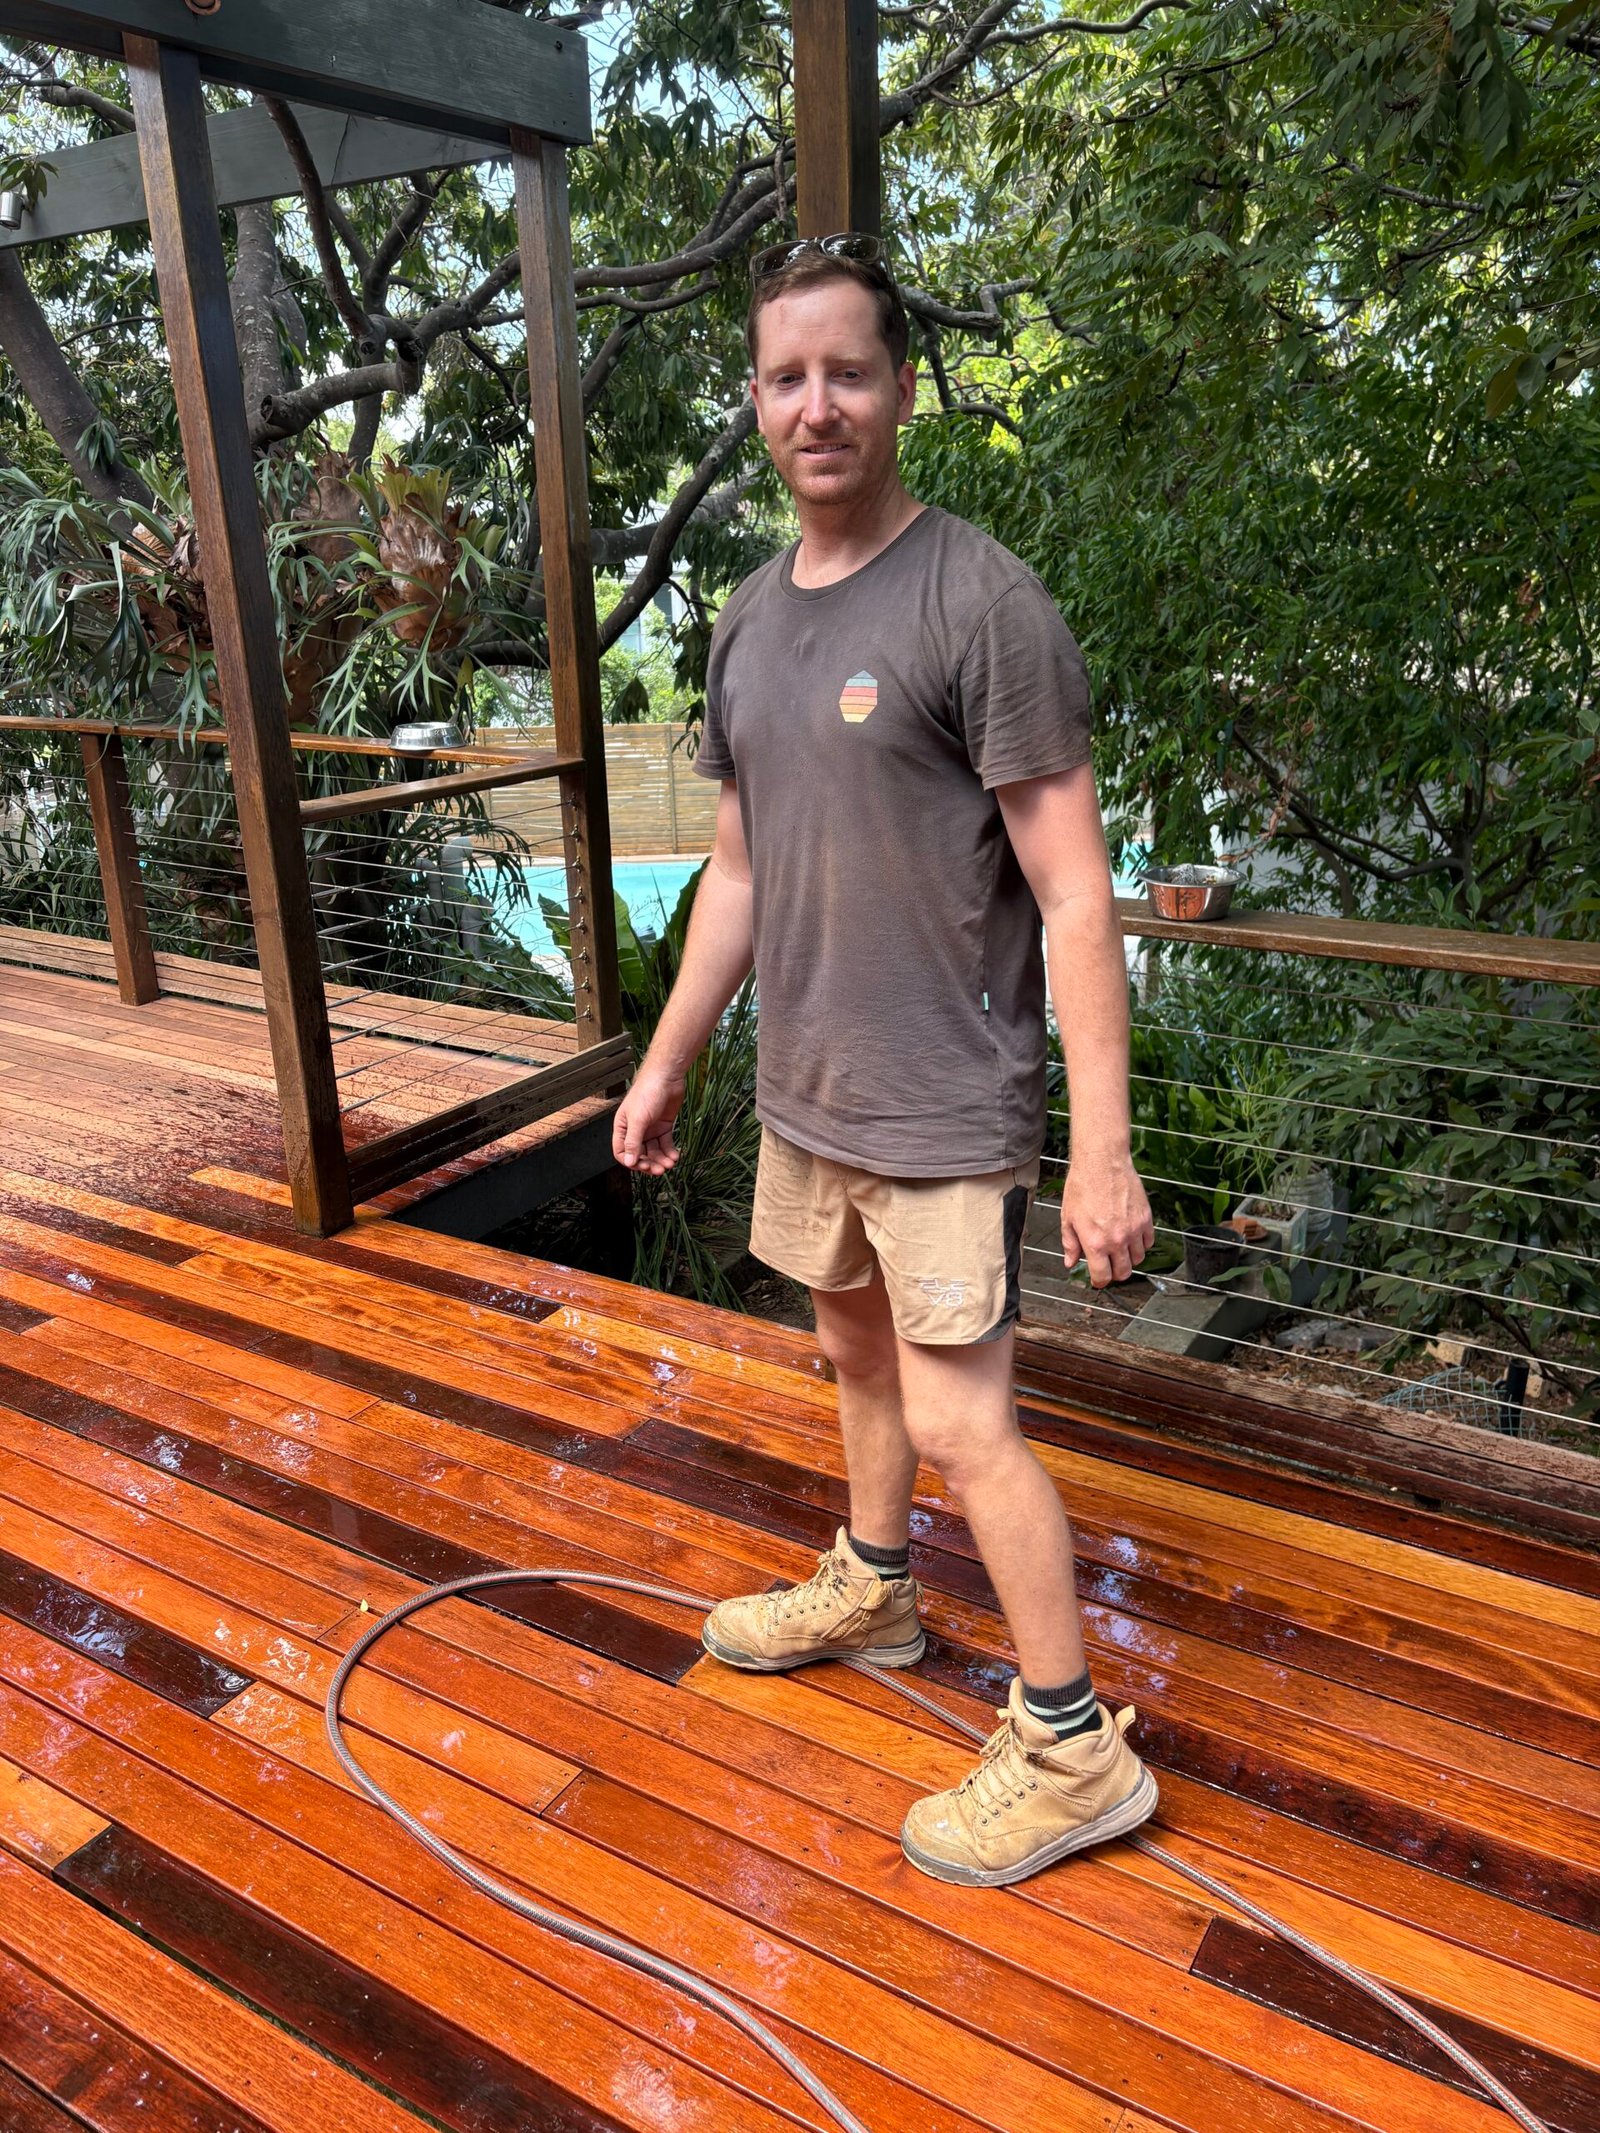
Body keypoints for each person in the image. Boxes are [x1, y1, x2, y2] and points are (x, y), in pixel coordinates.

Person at [612, 232, 1158, 1888]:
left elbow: (1075, 893)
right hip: (812, 1092)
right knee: (853, 1356)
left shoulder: (978, 602)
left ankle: (1071, 1748)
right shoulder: (747, 621)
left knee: (965, 1418)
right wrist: (666, 1058)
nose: (819, 405)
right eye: (788, 377)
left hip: (944, 1106)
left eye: (848, 372)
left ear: (901, 390)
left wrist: (1103, 1147)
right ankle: (876, 1585)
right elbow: (739, 871)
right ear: (756, 402)